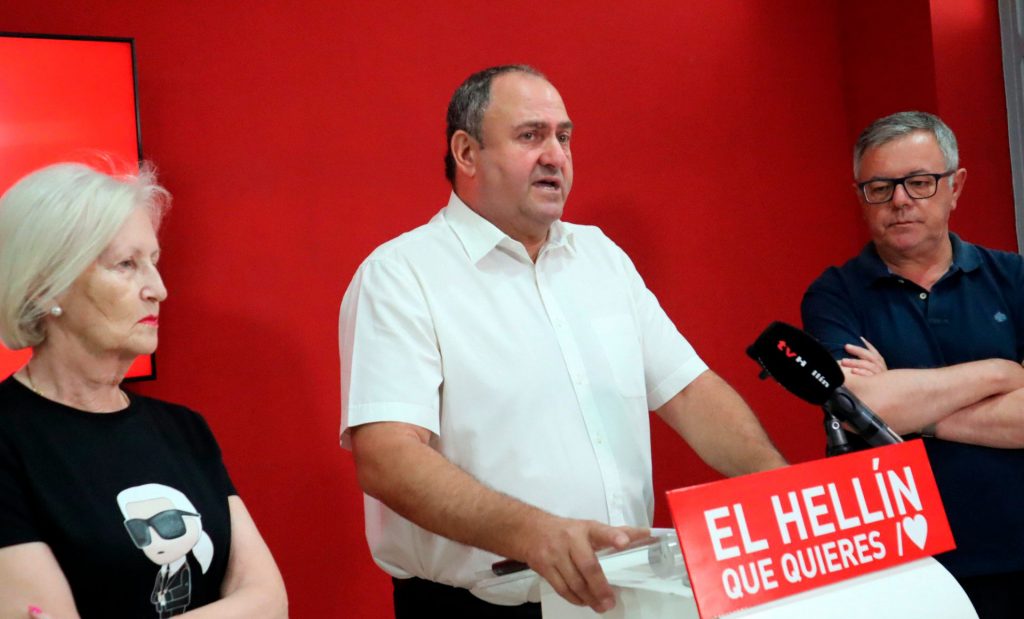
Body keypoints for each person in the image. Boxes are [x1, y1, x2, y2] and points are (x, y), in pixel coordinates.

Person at [339, 64, 786, 618]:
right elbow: (387, 458)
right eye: (531, 136)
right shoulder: (401, 275)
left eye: (564, 137)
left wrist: (780, 486)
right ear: (467, 152)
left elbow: (690, 392)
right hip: (479, 609)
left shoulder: (601, 258)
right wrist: (533, 534)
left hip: (622, 597)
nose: (555, 155)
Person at [0, 162, 288, 619]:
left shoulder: (183, 429)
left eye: (154, 261)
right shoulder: (7, 440)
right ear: (43, 288)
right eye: (126, 265)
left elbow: (270, 602)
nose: (159, 289)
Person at [801, 110, 1024, 619]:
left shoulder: (1014, 279)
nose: (900, 201)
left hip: (1017, 547)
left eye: (920, 182)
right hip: (900, 563)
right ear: (861, 197)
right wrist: (1000, 373)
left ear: (955, 186)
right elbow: (860, 405)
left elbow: (875, 413)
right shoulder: (834, 295)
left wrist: (908, 414)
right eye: (880, 188)